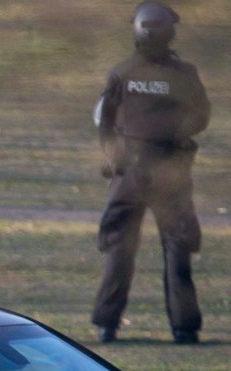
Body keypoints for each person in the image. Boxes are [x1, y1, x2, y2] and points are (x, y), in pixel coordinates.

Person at [91, 1, 210, 345]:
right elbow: (201, 117)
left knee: (119, 247)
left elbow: (104, 120)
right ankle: (185, 328)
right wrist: (173, 134)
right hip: (171, 172)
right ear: (170, 32)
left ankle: (106, 325)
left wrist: (112, 156)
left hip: (129, 171)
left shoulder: (121, 72)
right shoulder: (184, 73)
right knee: (177, 246)